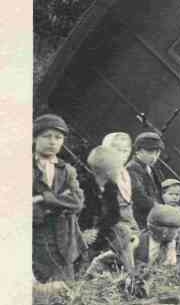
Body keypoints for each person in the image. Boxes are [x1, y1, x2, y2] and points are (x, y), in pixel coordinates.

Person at [32, 114, 86, 282]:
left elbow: (77, 202)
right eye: (47, 136)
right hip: (35, 238)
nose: (53, 142)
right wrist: (61, 201)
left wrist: (42, 198)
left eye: (58, 137)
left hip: (64, 240)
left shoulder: (67, 170)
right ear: (34, 138)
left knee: (64, 291)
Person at [86, 145, 139, 276]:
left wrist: (98, 228)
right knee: (122, 235)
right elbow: (83, 215)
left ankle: (129, 272)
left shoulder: (111, 187)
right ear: (108, 172)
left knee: (124, 232)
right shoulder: (86, 187)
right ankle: (89, 269)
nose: (121, 172)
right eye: (119, 169)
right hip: (85, 232)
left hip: (102, 229)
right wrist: (87, 231)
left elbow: (114, 215)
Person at [145, 179, 180, 266]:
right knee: (154, 251)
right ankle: (151, 265)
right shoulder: (160, 208)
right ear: (162, 195)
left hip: (174, 237)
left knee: (172, 252)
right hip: (158, 236)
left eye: (177, 194)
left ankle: (170, 265)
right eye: (170, 194)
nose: (174, 197)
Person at [127, 131, 164, 229]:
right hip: (141, 220)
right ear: (138, 151)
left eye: (157, 152)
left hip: (153, 217)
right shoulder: (132, 168)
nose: (154, 157)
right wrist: (162, 210)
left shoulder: (150, 168)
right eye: (150, 152)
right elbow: (139, 197)